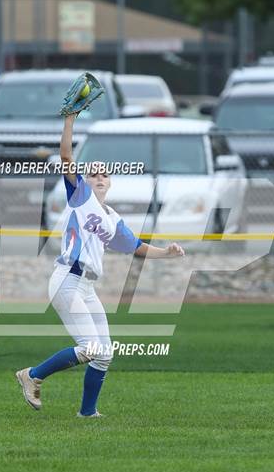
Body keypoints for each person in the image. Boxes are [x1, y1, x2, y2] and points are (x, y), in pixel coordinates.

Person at [16, 114, 185, 418]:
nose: (99, 177)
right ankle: (33, 375)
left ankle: (87, 413)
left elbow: (136, 247)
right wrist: (70, 119)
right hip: (68, 279)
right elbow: (66, 156)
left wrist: (167, 253)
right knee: (90, 348)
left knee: (103, 354)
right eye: (93, 174)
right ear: (86, 180)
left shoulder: (113, 219)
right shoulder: (80, 197)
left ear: (111, 181)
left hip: (87, 287)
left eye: (104, 174)